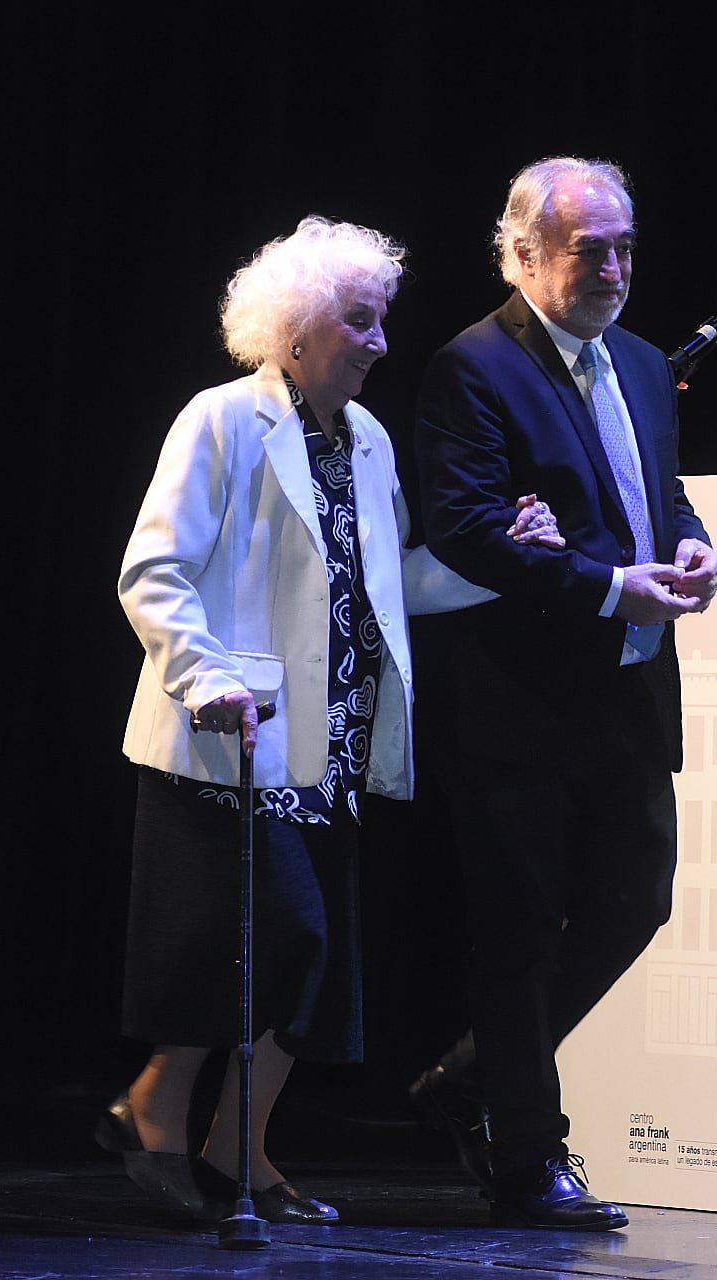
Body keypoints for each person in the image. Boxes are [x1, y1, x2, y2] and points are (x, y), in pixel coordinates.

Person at [104, 216, 557, 1224]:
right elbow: (153, 570)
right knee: (269, 938)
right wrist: (202, 675)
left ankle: (234, 1142)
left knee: (311, 967)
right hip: (230, 735)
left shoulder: (370, 440)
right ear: (298, 333)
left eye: (382, 320)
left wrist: (504, 555)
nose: (381, 342)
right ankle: (156, 1106)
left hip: (329, 745)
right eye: (362, 321)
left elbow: (394, 583)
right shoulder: (221, 421)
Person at [409, 156, 717, 1231]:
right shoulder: (473, 367)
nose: (617, 267)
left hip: (631, 693)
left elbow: (663, 495)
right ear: (525, 253)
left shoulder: (638, 359)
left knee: (639, 898)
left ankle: (473, 1077)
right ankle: (525, 1156)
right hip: (517, 703)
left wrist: (694, 549)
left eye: (627, 245)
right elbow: (461, 527)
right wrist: (605, 587)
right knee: (521, 928)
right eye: (593, 248)